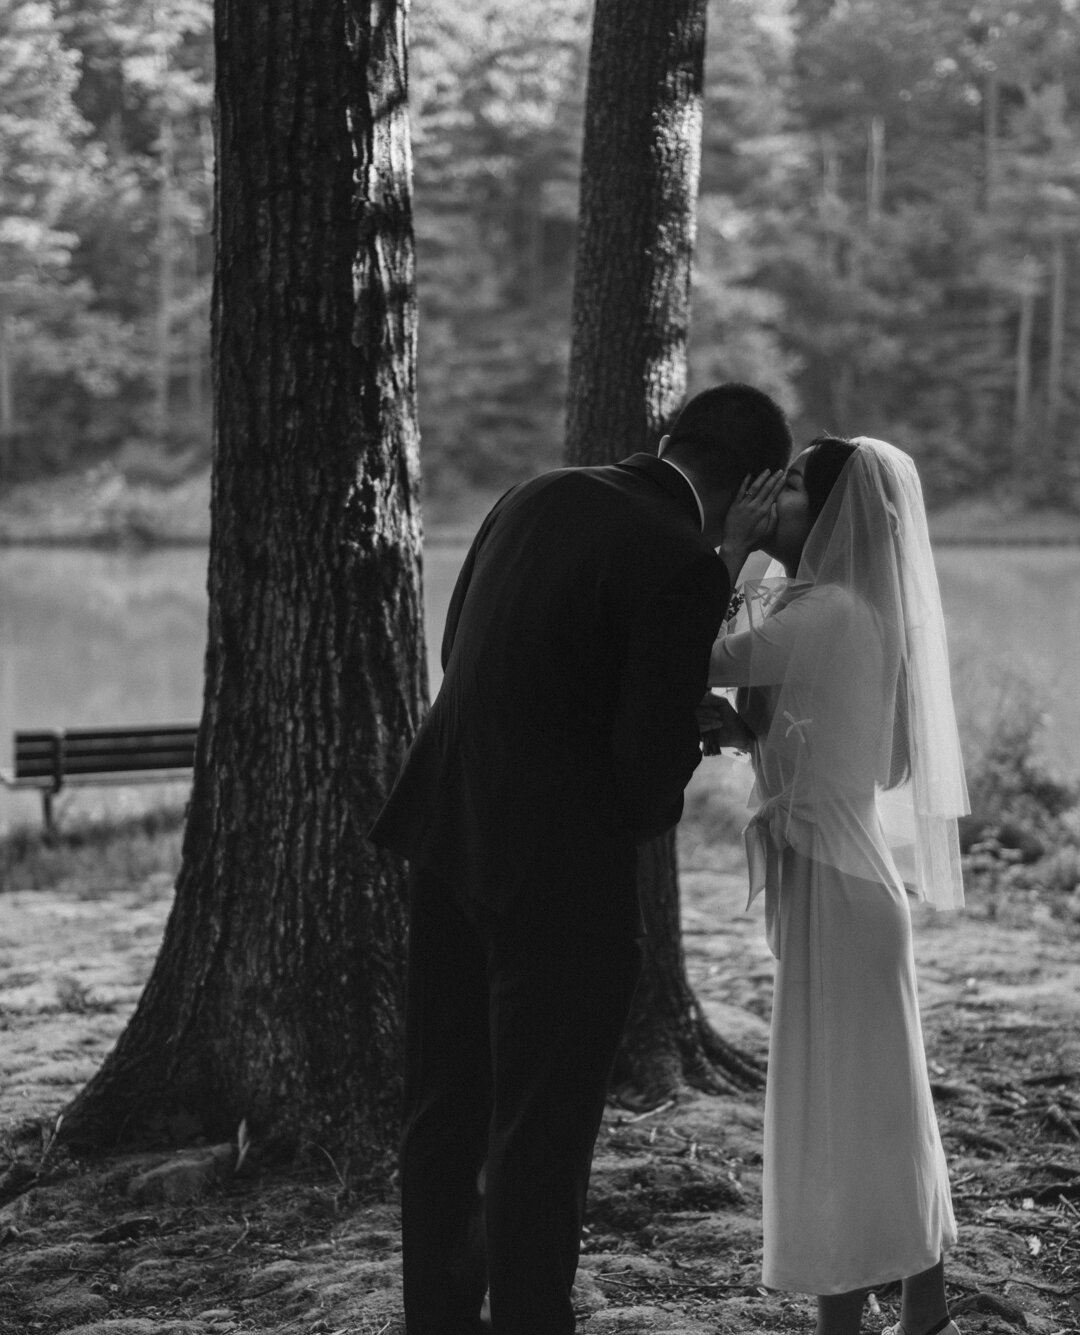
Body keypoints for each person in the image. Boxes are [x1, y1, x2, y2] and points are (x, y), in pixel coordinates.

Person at [371, 383, 792, 1335]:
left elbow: (462, 650)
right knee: (541, 1128)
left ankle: (437, 1319)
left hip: (449, 828)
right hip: (557, 878)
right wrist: (693, 732)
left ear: (665, 439)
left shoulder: (532, 493)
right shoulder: (686, 562)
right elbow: (645, 787)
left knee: (443, 1105)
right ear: (755, 482)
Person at [700, 436, 966, 1335]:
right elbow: (824, 736)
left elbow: (700, 653)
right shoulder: (834, 610)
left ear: (828, 514)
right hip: (839, 883)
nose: (772, 499)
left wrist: (732, 547)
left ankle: (853, 1318)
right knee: (871, 1108)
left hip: (842, 890)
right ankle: (914, 1304)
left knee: (846, 1112)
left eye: (790, 489)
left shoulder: (829, 613)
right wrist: (751, 737)